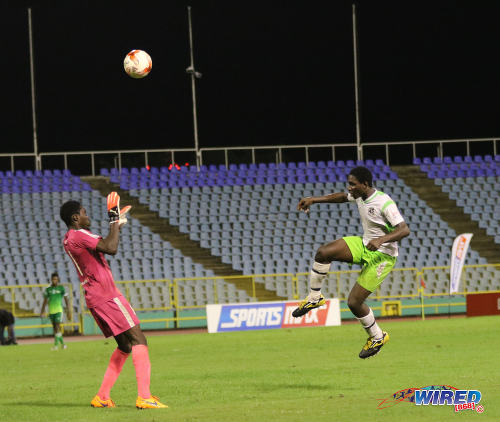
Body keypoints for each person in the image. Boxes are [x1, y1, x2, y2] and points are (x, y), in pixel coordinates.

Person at [59, 192, 167, 409]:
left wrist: (117, 226)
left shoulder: (70, 238)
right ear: (75, 218)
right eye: (84, 213)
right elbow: (112, 248)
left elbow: (107, 243)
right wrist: (114, 221)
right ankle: (144, 397)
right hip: (106, 295)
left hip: (95, 297)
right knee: (139, 340)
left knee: (125, 345)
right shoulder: (79, 235)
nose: (87, 216)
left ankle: (102, 397)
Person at [293, 166, 410, 359]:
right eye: (349, 184)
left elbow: (404, 229)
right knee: (323, 253)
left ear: (365, 184)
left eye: (353, 184)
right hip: (364, 245)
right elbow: (339, 197)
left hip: (383, 255)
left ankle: (377, 337)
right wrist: (314, 200)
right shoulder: (359, 196)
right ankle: (314, 297)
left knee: (354, 302)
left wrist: (381, 240)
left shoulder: (384, 202)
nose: (350, 188)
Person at [40, 272, 72, 350]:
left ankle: (55, 345)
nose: (55, 280)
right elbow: (45, 301)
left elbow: (66, 300)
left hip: (58, 311)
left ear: (58, 280)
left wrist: (68, 310)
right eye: (54, 279)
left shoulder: (61, 288)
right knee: (55, 329)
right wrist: (42, 310)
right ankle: (63, 345)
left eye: (56, 279)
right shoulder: (48, 289)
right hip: (51, 312)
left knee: (57, 327)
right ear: (51, 279)